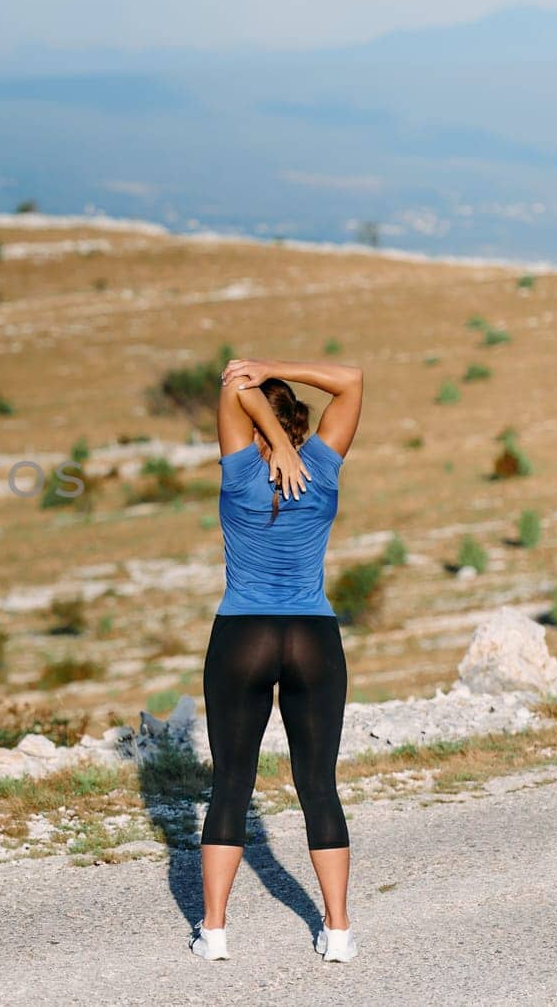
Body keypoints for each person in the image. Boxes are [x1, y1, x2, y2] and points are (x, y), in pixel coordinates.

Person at [189, 357, 364, 964]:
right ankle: (337, 930)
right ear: (301, 420)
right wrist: (279, 385)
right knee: (319, 785)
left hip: (244, 633)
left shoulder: (240, 469)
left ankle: (214, 931)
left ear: (257, 419)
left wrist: (261, 417)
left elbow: (232, 383)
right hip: (313, 635)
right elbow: (351, 379)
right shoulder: (321, 465)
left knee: (231, 786)